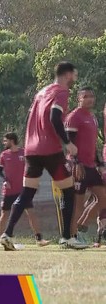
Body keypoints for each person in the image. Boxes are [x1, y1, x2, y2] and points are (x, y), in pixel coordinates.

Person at [0, 61, 87, 250]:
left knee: (27, 193)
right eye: (75, 74)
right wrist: (68, 143)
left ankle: (7, 234)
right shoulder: (61, 92)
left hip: (31, 150)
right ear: (68, 74)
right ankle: (66, 238)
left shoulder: (41, 92)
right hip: (50, 150)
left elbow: (32, 119)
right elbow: (55, 117)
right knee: (68, 190)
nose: (75, 78)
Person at [64, 87, 106, 245]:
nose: (89, 99)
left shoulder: (93, 118)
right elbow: (68, 142)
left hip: (90, 166)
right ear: (79, 99)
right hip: (77, 167)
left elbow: (93, 145)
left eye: (91, 96)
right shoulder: (74, 117)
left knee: (103, 198)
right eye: (85, 96)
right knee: (78, 205)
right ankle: (71, 238)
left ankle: (81, 227)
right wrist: (75, 162)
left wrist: (100, 165)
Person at [0, 132, 49, 246]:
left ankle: (39, 239)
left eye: (5, 140)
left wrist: (34, 182)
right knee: (4, 214)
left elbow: (31, 167)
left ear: (11, 140)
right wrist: (5, 181)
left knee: (31, 213)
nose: (4, 143)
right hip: (9, 191)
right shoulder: (3, 155)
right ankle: (1, 239)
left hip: (23, 190)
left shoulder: (24, 152)